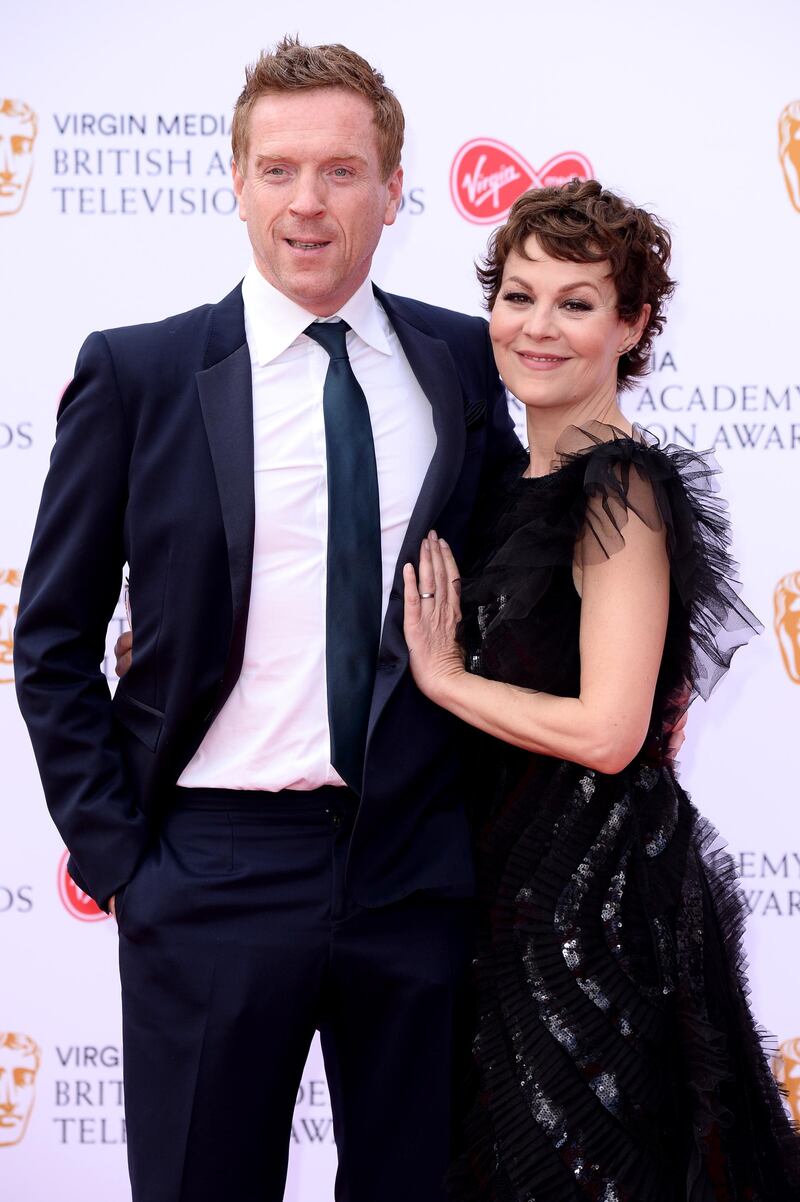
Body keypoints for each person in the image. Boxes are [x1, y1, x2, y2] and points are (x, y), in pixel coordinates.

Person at [13, 38, 523, 1202]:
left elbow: (509, 582)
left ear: (395, 191)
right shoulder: (138, 374)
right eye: (280, 169)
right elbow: (48, 641)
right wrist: (126, 862)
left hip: (414, 871)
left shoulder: (457, 361)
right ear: (234, 181)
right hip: (210, 869)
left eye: (342, 171)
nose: (308, 201)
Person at [402, 179, 800, 1200]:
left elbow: (611, 728)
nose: (536, 327)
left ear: (632, 324)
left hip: (593, 913)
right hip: (496, 901)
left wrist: (444, 677)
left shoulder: (618, 487)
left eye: (574, 302)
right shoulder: (495, 483)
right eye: (516, 294)